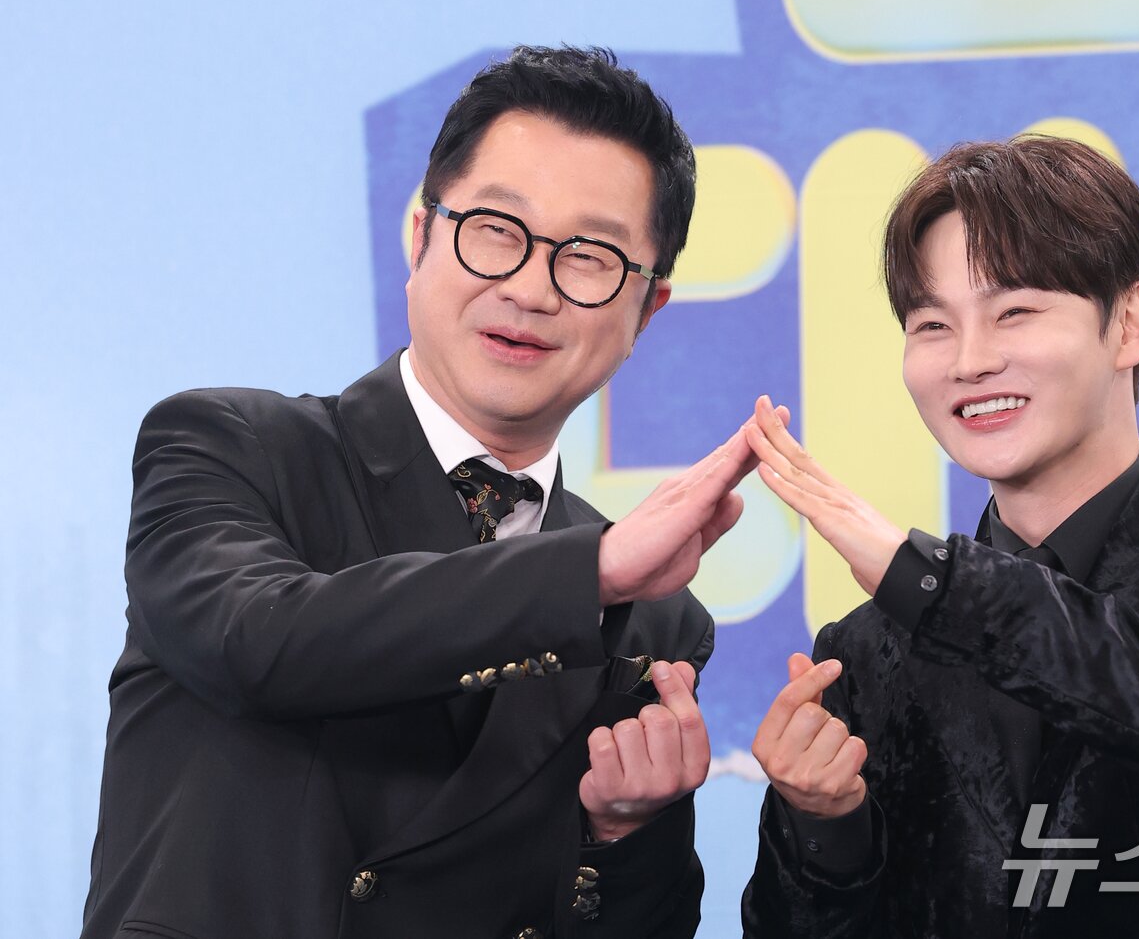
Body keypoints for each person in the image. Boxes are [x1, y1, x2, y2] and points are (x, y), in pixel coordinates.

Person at [82, 46, 755, 939]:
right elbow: (263, 643)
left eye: (590, 256)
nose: (530, 287)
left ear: (647, 310)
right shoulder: (228, 445)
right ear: (420, 236)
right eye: (497, 229)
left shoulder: (658, 625)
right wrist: (586, 574)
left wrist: (625, 835)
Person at [740, 137, 1139, 938]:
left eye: (1014, 312)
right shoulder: (867, 651)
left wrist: (933, 583)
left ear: (1129, 324)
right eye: (932, 325)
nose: (970, 361)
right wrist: (825, 828)